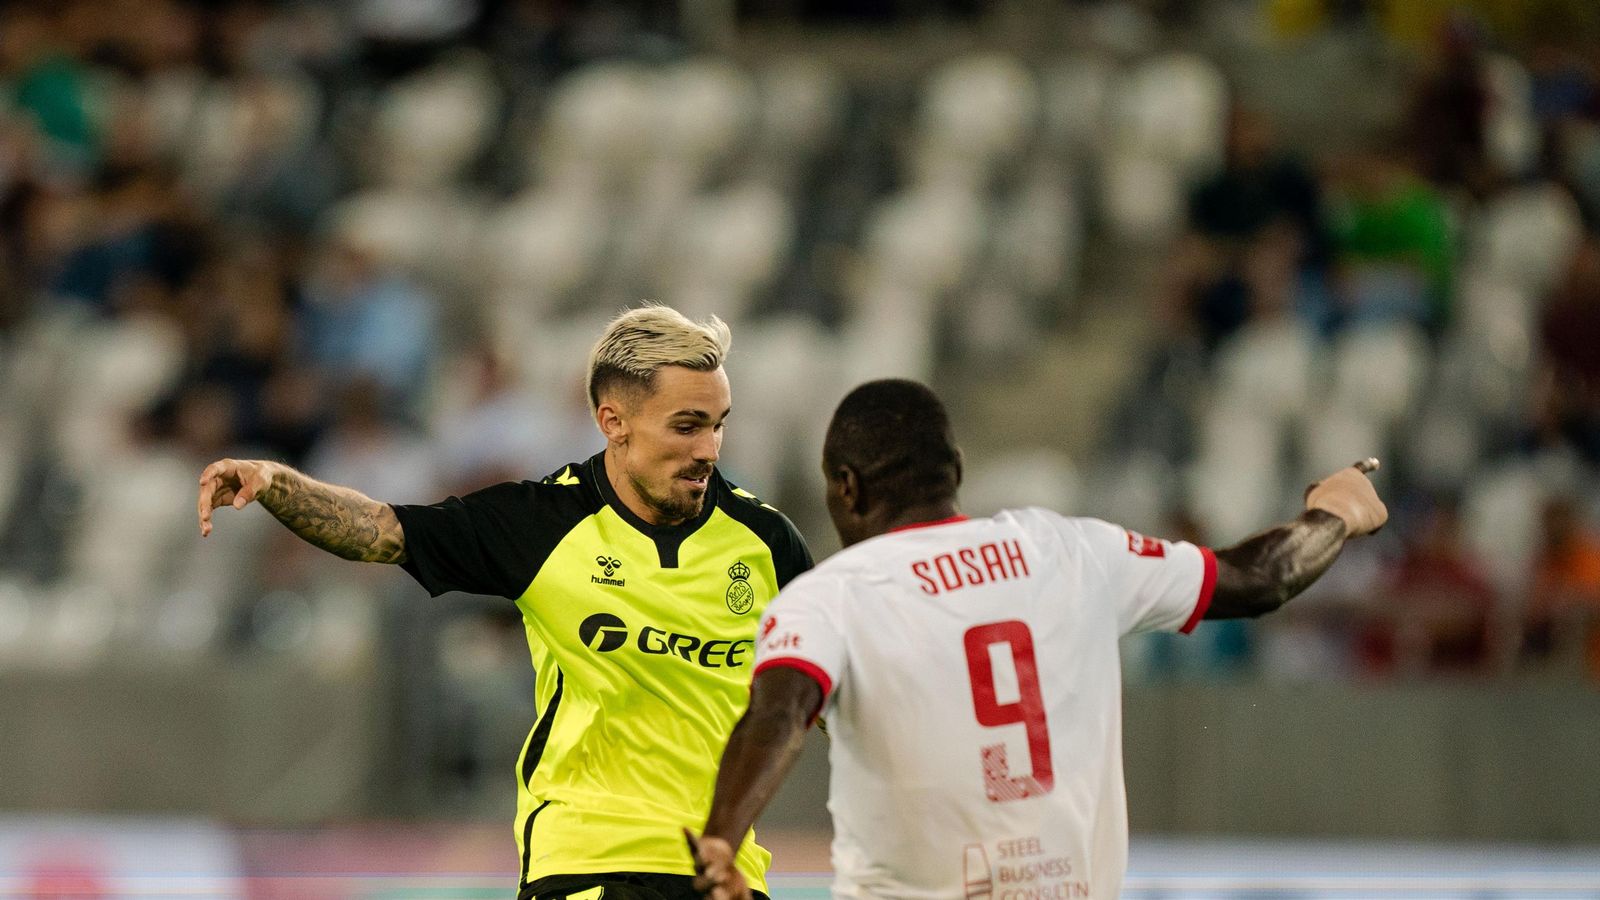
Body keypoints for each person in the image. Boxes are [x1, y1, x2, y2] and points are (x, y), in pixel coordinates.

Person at [197, 305, 813, 900]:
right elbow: (383, 530)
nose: (709, 449)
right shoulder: (542, 523)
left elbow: (827, 688)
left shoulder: (767, 542)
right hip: (586, 861)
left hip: (724, 873)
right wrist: (278, 483)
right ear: (613, 422)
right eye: (687, 426)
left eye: (718, 424)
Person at [687, 379, 1387, 900]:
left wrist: (722, 837)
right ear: (956, 471)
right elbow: (1258, 580)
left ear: (847, 487)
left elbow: (778, 713)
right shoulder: (1072, 551)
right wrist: (1335, 513)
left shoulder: (833, 594)